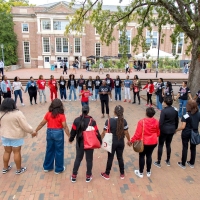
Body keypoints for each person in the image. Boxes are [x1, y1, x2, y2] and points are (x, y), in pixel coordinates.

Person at [0, 98, 37, 175]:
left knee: (7, 151)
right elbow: (25, 125)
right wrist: (32, 131)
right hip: (16, 135)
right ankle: (18, 169)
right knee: (16, 152)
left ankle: (5, 168)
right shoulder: (17, 113)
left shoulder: (1, 113)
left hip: (5, 135)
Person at [35, 99, 70, 174]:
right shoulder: (61, 115)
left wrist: (36, 130)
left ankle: (47, 167)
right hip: (58, 133)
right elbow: (65, 126)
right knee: (59, 151)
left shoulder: (48, 114)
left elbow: (42, 123)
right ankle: (58, 168)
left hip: (49, 132)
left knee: (49, 149)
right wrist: (69, 136)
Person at [69, 105, 102, 183]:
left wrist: (71, 139)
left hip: (80, 143)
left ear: (82, 110)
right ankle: (88, 176)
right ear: (88, 111)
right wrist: (100, 141)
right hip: (89, 143)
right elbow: (97, 133)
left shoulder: (76, 120)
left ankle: (74, 176)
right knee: (89, 160)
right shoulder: (92, 121)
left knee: (78, 159)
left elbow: (73, 132)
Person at [101, 105, 131, 180]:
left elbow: (104, 132)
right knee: (120, 157)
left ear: (114, 112)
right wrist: (129, 140)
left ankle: (107, 174)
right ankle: (122, 174)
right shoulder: (124, 121)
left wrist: (99, 139)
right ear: (122, 112)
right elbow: (126, 132)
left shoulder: (109, 121)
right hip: (121, 142)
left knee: (110, 158)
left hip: (112, 142)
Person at [129, 107, 160, 178]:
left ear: (146, 113)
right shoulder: (156, 122)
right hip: (153, 142)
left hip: (144, 142)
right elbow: (158, 133)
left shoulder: (141, 122)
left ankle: (141, 172)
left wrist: (131, 141)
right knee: (149, 156)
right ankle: (148, 171)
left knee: (142, 156)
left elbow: (137, 134)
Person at [154, 96, 179, 168]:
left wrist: (159, 129)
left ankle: (158, 161)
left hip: (164, 130)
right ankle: (168, 160)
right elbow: (176, 120)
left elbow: (161, 122)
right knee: (168, 144)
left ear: (165, 103)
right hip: (171, 129)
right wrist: (175, 128)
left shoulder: (164, 111)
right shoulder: (175, 110)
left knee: (161, 145)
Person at [176, 100, 200, 169]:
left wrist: (177, 130)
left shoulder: (186, 115)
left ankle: (183, 164)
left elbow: (183, 126)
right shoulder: (198, 114)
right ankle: (192, 163)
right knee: (193, 148)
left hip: (186, 132)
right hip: (195, 132)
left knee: (185, 147)